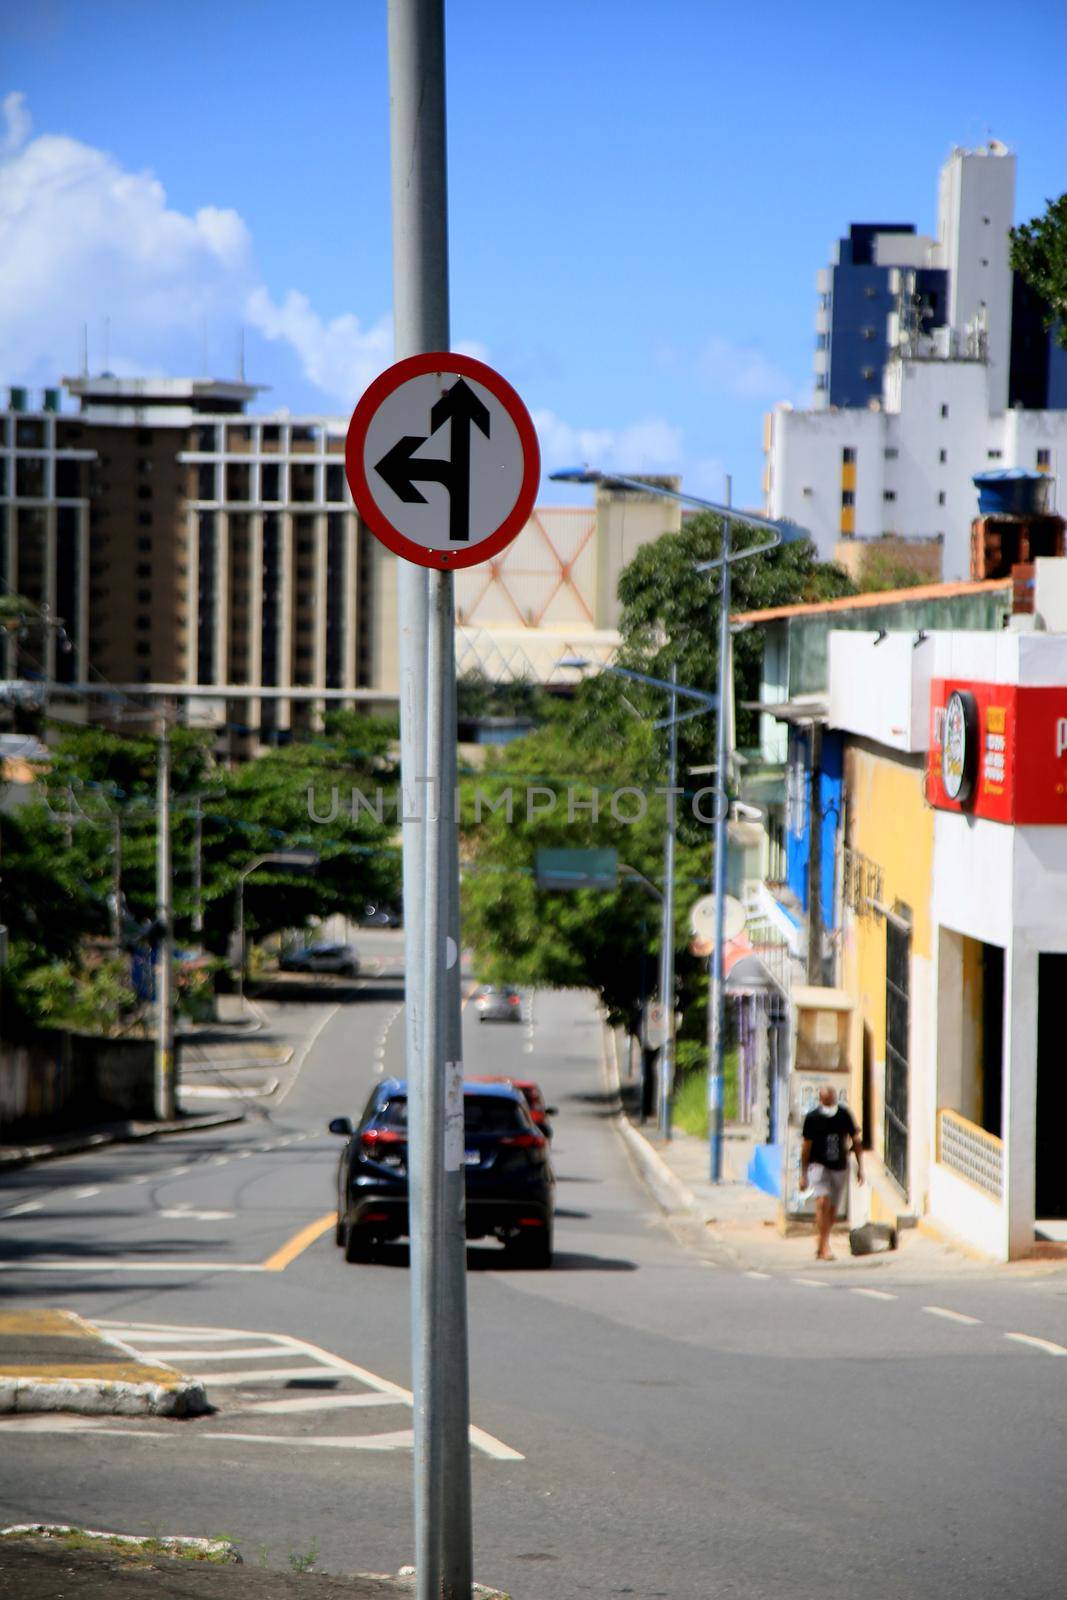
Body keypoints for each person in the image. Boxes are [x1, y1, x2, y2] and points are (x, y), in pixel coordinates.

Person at [799, 1086, 863, 1261]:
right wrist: (803, 1174)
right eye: (826, 1100)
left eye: (832, 1099)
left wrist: (860, 1168)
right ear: (821, 1100)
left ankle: (821, 1241)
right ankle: (825, 1247)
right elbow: (806, 1148)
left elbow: (856, 1141)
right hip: (818, 1166)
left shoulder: (844, 1115)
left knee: (832, 1210)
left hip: (840, 1167)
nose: (830, 1103)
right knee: (822, 1202)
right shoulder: (812, 1118)